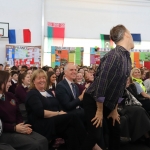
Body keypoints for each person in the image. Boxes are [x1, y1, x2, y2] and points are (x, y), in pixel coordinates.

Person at [83, 24, 133, 150]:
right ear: (126, 34)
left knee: (115, 129)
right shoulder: (114, 56)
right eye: (130, 33)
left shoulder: (127, 57)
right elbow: (101, 84)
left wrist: (115, 109)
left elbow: (121, 88)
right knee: (94, 135)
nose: (132, 36)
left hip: (108, 103)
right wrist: (99, 110)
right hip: (94, 101)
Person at [26, 69, 101, 150]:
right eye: (39, 78)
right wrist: (58, 113)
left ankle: (88, 146)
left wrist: (60, 113)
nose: (42, 80)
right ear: (33, 81)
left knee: (71, 131)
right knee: (73, 117)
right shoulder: (33, 93)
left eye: (43, 78)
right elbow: (41, 113)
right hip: (44, 123)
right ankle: (93, 145)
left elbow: (57, 106)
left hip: (55, 121)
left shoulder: (49, 92)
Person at [0, 70, 48, 150]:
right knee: (34, 145)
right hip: (5, 132)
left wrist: (22, 126)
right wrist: (14, 128)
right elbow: (1, 125)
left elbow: (18, 113)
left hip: (17, 127)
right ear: (1, 82)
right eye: (8, 81)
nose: (10, 84)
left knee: (43, 140)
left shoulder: (10, 95)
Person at [119, 77, 150, 147]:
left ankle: (146, 137)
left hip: (131, 105)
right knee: (139, 110)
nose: (127, 81)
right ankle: (147, 137)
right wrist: (123, 90)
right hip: (122, 107)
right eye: (125, 80)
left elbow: (135, 99)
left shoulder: (131, 86)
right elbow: (119, 102)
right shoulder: (119, 88)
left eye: (128, 80)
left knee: (140, 110)